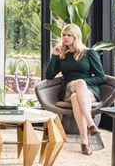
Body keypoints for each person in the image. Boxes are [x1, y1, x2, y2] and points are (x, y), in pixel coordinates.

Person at [44, 23, 105, 155]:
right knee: (76, 88)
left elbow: (101, 77)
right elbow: (48, 76)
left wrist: (82, 83)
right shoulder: (62, 55)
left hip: (89, 91)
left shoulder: (89, 53)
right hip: (68, 88)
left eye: (69, 35)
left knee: (76, 96)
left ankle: (84, 141)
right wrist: (54, 55)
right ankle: (90, 123)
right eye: (64, 35)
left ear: (76, 37)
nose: (65, 38)